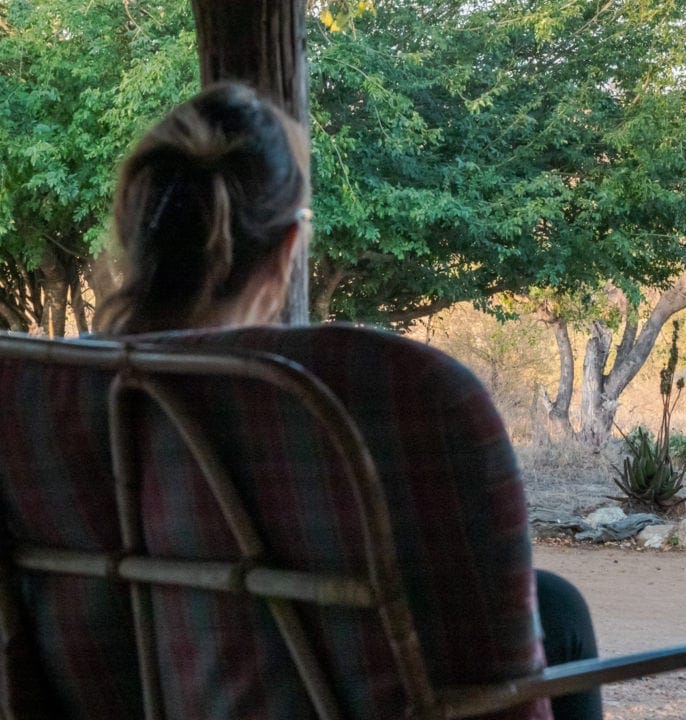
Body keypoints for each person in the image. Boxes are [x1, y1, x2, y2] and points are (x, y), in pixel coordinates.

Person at [95, 81, 601, 720]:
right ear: (287, 248)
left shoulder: (40, 393)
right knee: (558, 612)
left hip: (156, 683)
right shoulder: (379, 398)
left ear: (132, 228)